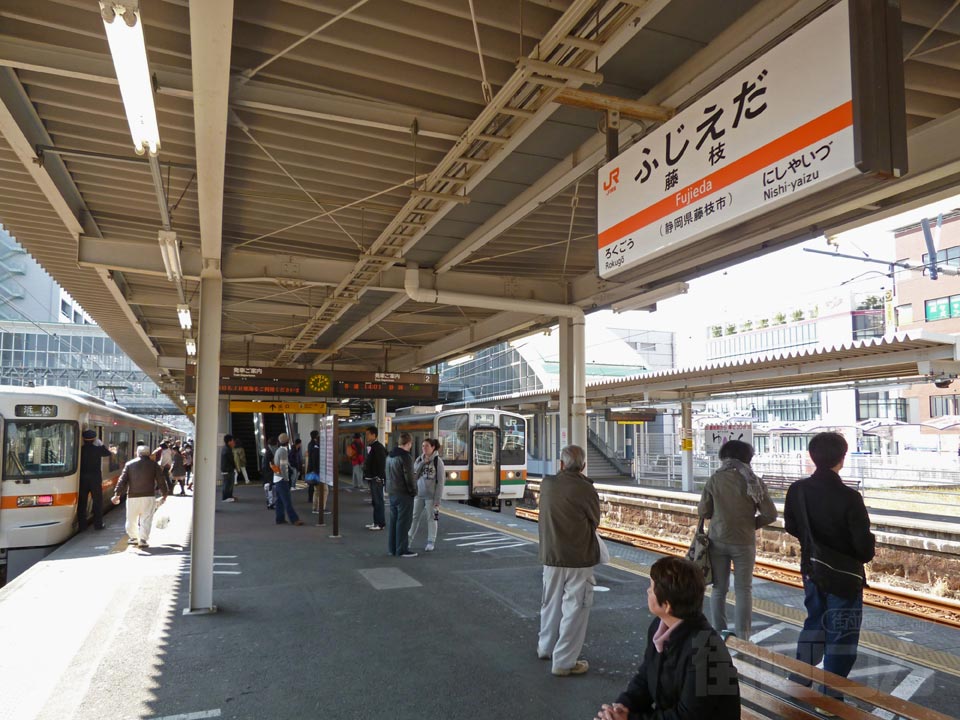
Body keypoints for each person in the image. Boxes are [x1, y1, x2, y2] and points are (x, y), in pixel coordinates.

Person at [784, 432, 875, 700]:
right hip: (845, 579)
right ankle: (830, 699)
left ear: (813, 456)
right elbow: (864, 549)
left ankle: (799, 683)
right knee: (841, 634)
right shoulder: (849, 497)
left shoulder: (797, 490)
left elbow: (791, 525)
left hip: (812, 570)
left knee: (815, 624)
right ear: (842, 458)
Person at [594, 557, 741, 720]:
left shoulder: (706, 650)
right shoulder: (660, 626)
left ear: (667, 605)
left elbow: (688, 716)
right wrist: (622, 707)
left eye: (651, 587)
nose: (648, 591)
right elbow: (645, 677)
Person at [697, 439, 777, 640]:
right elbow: (770, 514)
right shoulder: (754, 481)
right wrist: (751, 524)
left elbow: (704, 511)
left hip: (717, 540)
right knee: (743, 590)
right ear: (747, 458)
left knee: (719, 588)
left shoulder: (715, 479)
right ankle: (743, 637)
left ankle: (719, 631)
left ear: (725, 458)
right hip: (744, 543)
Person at [537, 445, 600, 677]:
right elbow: (596, 520)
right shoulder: (587, 489)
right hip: (578, 558)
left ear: (561, 464)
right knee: (574, 608)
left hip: (551, 556)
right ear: (583, 466)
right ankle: (563, 661)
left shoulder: (547, 484)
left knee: (549, 603)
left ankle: (545, 647)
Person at [111, 444, 168, 549]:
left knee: (131, 518)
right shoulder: (154, 465)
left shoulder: (129, 464)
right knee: (146, 518)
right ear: (149, 454)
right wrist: (164, 493)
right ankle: (143, 539)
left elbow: (122, 481)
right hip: (148, 496)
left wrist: (117, 494)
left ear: (138, 453)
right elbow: (161, 480)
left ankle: (133, 538)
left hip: (132, 496)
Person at [409, 438, 445, 552]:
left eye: (427, 446)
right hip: (419, 495)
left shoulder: (438, 462)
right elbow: (414, 476)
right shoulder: (419, 459)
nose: (424, 448)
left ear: (433, 447)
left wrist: (437, 500)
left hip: (432, 496)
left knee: (432, 519)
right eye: (423, 446)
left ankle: (431, 541)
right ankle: (408, 540)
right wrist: (422, 464)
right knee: (414, 517)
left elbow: (440, 482)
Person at [386, 432, 417, 557]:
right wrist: (413, 491)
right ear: (409, 443)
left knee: (394, 521)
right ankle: (402, 550)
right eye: (410, 445)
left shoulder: (389, 456)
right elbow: (409, 477)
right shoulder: (405, 457)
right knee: (404, 522)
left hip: (392, 492)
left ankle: (392, 549)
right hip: (403, 494)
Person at [77, 429, 113, 531]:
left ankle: (82, 525)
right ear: (94, 439)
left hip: (82, 478)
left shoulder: (81, 450)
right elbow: (108, 453)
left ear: (83, 439)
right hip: (95, 479)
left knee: (82, 502)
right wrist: (101, 445)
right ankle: (98, 524)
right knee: (97, 501)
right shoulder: (97, 449)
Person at [272, 433, 303, 526]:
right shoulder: (283, 451)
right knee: (287, 500)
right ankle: (295, 519)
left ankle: (280, 518)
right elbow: (283, 467)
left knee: (279, 501)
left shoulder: (278, 450)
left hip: (277, 478)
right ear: (287, 441)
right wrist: (286, 479)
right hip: (282, 479)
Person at [363, 426, 387, 531]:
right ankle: (376, 522)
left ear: (374, 435)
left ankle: (380, 524)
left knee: (378, 501)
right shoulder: (372, 446)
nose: (366, 436)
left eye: (368, 434)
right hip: (372, 478)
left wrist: (379, 477)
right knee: (375, 501)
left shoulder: (378, 447)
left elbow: (382, 463)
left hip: (376, 479)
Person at [261, 436, 277, 509]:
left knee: (267, 487)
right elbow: (272, 464)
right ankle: (271, 503)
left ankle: (269, 502)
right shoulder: (270, 453)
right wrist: (277, 471)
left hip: (266, 472)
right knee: (271, 488)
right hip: (269, 473)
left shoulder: (267, 451)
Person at [220, 434, 237, 502]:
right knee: (227, 484)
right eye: (233, 441)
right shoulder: (227, 450)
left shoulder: (226, 448)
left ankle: (229, 496)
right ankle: (225, 497)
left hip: (227, 469)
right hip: (227, 469)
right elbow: (231, 460)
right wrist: (234, 466)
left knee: (229, 483)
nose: (234, 442)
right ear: (229, 442)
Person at [307, 430, 320, 506]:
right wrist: (315, 469)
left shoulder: (310, 444)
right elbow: (314, 457)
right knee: (313, 484)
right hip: (313, 467)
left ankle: (310, 498)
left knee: (312, 484)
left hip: (311, 466)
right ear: (316, 436)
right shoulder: (314, 444)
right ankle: (311, 499)